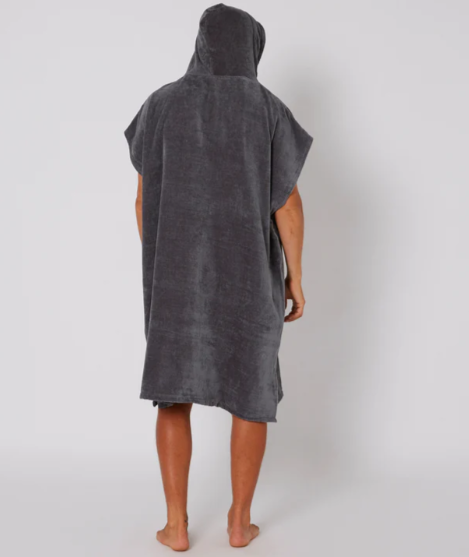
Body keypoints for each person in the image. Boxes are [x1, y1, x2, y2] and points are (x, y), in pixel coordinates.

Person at [124, 3, 313, 551]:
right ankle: (239, 523)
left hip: (174, 281)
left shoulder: (159, 106)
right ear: (250, 48)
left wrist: (168, 260)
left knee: (172, 394)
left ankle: (176, 526)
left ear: (201, 44)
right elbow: (288, 205)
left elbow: (142, 202)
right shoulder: (266, 108)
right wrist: (295, 276)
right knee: (250, 393)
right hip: (249, 275)